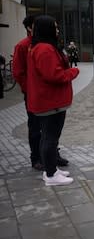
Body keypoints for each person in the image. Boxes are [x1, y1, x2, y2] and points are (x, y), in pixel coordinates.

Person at [26, 15, 79, 186]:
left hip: (48, 102)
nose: (57, 30)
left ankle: (52, 170)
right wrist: (73, 72)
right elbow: (54, 75)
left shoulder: (40, 47)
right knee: (50, 139)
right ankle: (50, 175)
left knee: (48, 138)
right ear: (47, 29)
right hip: (50, 103)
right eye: (55, 27)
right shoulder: (45, 49)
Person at [12, 15, 69, 171]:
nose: (56, 30)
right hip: (35, 94)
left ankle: (52, 157)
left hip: (48, 95)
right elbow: (18, 72)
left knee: (50, 131)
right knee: (37, 128)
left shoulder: (47, 45)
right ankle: (37, 158)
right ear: (30, 28)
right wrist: (30, 89)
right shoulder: (26, 46)